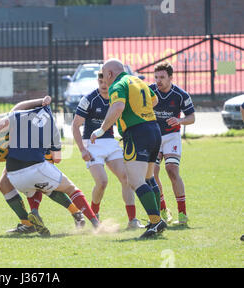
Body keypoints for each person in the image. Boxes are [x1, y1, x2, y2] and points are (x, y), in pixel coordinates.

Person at [0, 97, 85, 235]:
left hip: (37, 152)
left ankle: (75, 212)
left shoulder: (0, 132)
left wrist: (41, 101)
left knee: (45, 185)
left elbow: (18, 108)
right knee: (3, 185)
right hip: (16, 163)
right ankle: (27, 223)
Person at [90, 58, 166, 239]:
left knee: (134, 179)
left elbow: (117, 107)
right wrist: (139, 110)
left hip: (137, 133)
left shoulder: (118, 84)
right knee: (149, 178)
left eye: (104, 75)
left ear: (110, 74)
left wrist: (101, 129)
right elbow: (153, 101)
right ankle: (158, 219)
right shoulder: (138, 81)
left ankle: (155, 222)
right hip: (154, 129)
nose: (104, 79)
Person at [72, 71, 144, 229]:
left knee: (126, 178)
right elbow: (75, 125)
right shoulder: (89, 99)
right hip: (92, 144)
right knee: (102, 182)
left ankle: (132, 220)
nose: (104, 85)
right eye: (101, 82)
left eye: (106, 82)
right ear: (98, 81)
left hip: (111, 143)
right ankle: (95, 216)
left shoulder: (117, 97)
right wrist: (82, 149)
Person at [150, 62, 195, 226]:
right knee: (152, 174)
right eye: (156, 77)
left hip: (171, 136)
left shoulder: (180, 94)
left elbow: (192, 118)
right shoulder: (149, 92)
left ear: (170, 77)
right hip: (154, 137)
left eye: (162, 77)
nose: (158, 80)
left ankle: (182, 214)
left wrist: (179, 120)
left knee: (172, 170)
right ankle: (163, 210)